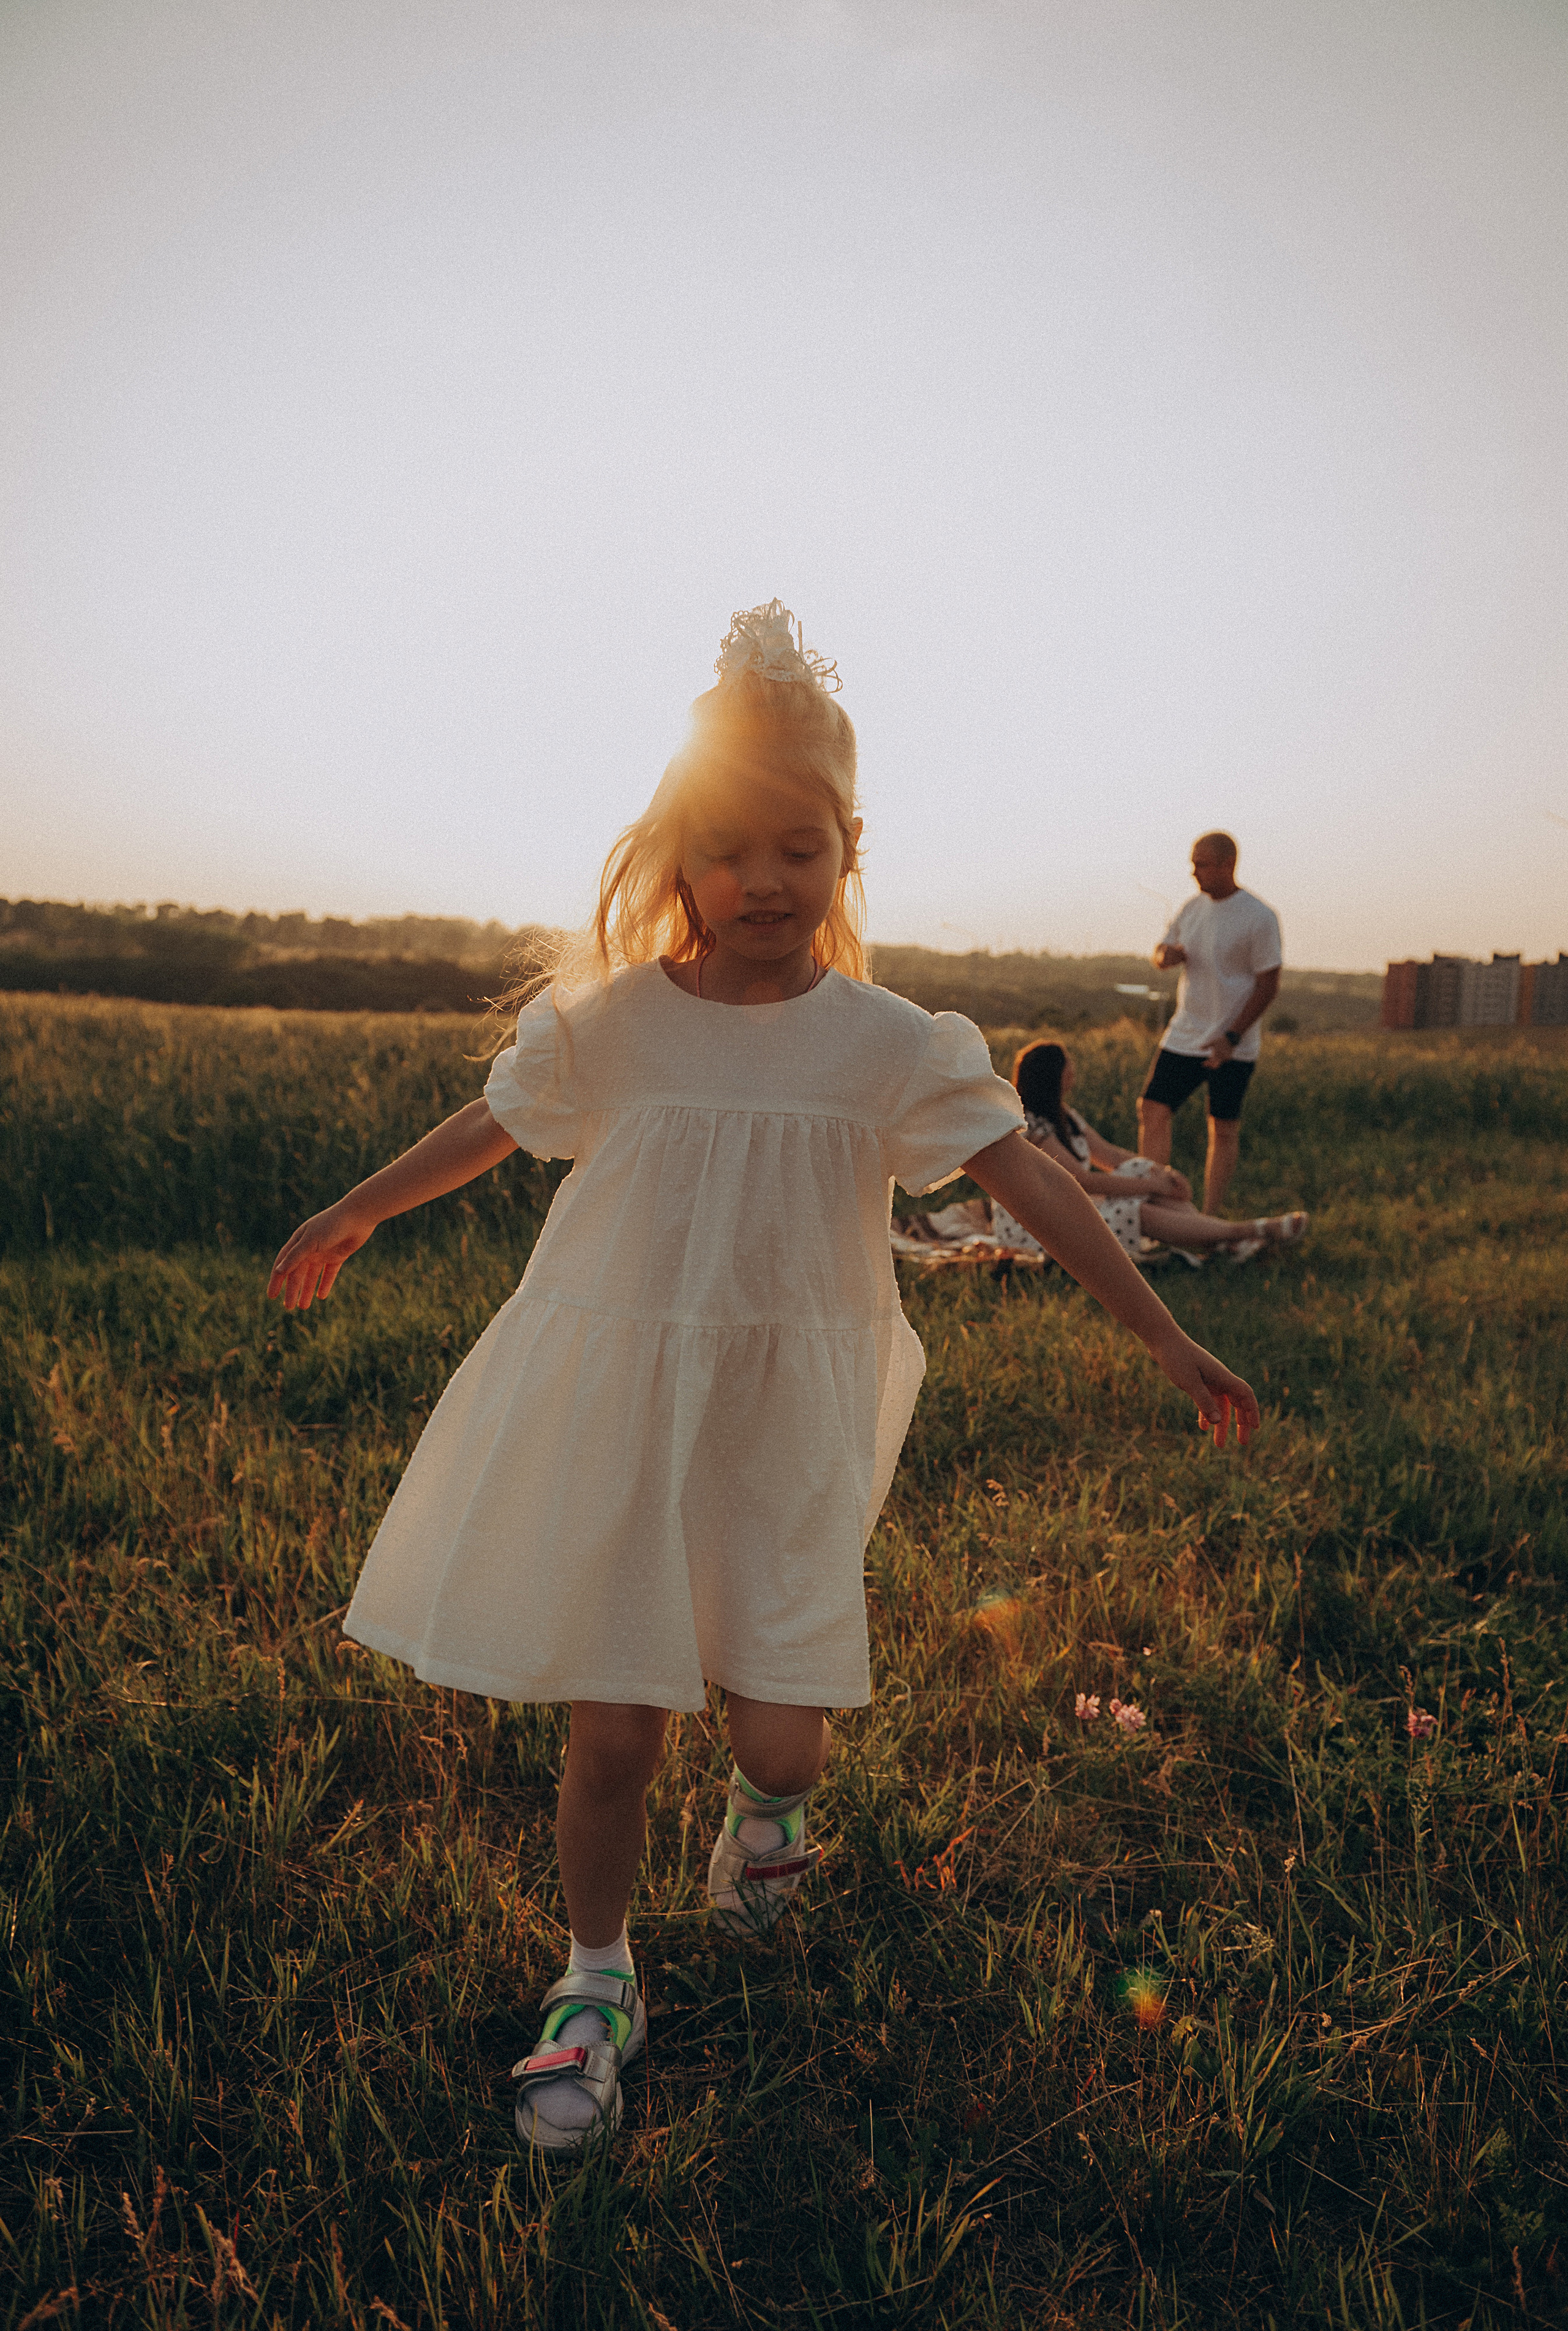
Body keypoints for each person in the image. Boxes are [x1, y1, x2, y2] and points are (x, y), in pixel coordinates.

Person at [266, 600, 1259, 2159]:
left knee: (781, 1732)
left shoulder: (885, 1043)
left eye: (796, 848)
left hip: (783, 1416)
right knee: (613, 1732)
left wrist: (1158, 1327)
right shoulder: (610, 1023)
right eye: (728, 849)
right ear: (676, 852)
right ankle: (596, 1981)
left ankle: (766, 1820)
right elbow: (490, 1124)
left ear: (845, 848)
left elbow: (1042, 1185)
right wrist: (354, 1204)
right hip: (621, 1401)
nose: (761, 881)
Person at [990, 1041, 1306, 1261]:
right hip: (1037, 1224)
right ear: (1052, 1075)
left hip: (1068, 1205)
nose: (1073, 1069)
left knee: (1141, 1168)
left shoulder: (1064, 1114)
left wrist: (1163, 1174)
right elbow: (1083, 1181)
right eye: (1066, 1064)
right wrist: (1151, 1187)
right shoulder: (1030, 1125)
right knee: (1133, 1211)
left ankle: (1225, 1241)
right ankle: (1247, 1231)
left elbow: (1111, 1157)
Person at [1137, 833, 1282, 1215]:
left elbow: (1269, 985)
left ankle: (1209, 1219)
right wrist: (1164, 956)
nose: (1193, 872)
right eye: (1193, 862)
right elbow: (1161, 951)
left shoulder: (1260, 917)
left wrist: (1232, 1037)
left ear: (1226, 865)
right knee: (1152, 1109)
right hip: (1185, 1034)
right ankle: (1157, 1208)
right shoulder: (1191, 909)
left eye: (1201, 864)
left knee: (1224, 1128)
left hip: (1233, 1042)